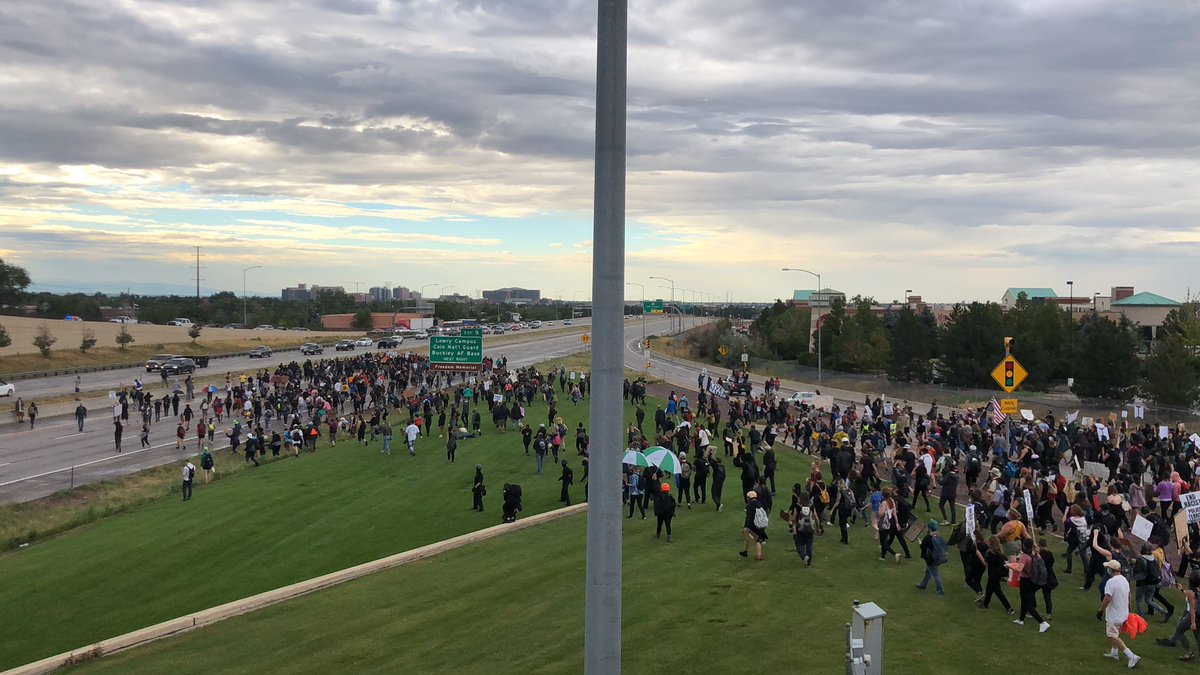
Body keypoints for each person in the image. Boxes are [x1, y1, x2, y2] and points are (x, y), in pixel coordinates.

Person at [1099, 559, 1140, 669]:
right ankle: (1114, 653)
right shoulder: (1124, 580)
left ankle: (1131, 656)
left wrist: (1101, 610)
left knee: (1112, 635)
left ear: (1110, 570)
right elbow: (1129, 596)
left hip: (1114, 614)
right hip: (1123, 613)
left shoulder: (1111, 582)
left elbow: (1107, 598)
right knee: (1116, 633)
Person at [1156, 571, 1200, 661]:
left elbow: (1192, 609)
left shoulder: (1191, 593)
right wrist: (1181, 590)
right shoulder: (1197, 591)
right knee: (1197, 636)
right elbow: (1190, 595)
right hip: (1199, 616)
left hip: (1192, 617)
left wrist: (1192, 623)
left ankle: (1189, 652)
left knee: (1179, 631)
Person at [1011, 540, 1051, 632]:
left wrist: (1009, 566)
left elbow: (1019, 569)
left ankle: (1042, 622)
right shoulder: (1035, 555)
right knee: (1025, 600)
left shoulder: (1024, 557)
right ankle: (1021, 619)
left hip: (1025, 580)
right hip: (1032, 580)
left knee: (1027, 603)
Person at [982, 535, 1015, 614]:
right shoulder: (1000, 554)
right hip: (997, 574)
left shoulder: (990, 554)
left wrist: (979, 555)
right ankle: (985, 604)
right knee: (990, 589)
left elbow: (985, 563)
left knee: (997, 592)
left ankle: (1008, 607)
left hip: (993, 575)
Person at [916, 520, 947, 596]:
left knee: (935, 574)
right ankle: (923, 585)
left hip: (930, 559)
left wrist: (920, 543)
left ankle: (940, 590)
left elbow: (923, 547)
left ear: (929, 528)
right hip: (937, 558)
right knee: (928, 571)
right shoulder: (937, 536)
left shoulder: (928, 538)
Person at [790, 489, 816, 566]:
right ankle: (809, 562)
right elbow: (816, 517)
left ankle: (804, 556)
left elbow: (794, 518)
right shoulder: (811, 506)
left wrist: (790, 519)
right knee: (809, 545)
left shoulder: (798, 506)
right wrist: (819, 527)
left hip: (800, 529)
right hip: (810, 529)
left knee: (799, 544)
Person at [741, 490, 768, 561]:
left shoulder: (749, 505)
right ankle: (745, 552)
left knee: (755, 540)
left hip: (752, 525)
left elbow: (748, 518)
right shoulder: (759, 504)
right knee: (751, 539)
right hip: (759, 525)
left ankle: (757, 555)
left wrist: (745, 526)